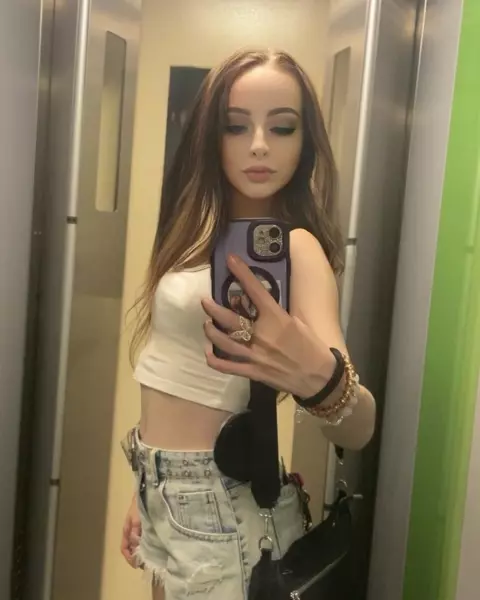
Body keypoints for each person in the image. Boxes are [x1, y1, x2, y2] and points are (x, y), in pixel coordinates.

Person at [120, 48, 376, 600]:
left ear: (305, 143)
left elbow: (358, 427)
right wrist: (148, 488)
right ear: (210, 136)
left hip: (222, 509)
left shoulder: (297, 249)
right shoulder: (196, 235)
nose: (259, 145)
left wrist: (319, 376)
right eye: (236, 126)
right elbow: (176, 370)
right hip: (169, 494)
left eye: (282, 127)